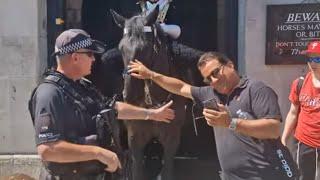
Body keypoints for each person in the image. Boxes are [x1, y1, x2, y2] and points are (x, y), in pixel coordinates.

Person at [28, 29, 175, 180]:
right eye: (90, 54)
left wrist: (151, 114)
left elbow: (112, 108)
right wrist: (98, 153)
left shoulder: (81, 86)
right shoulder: (49, 93)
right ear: (75, 57)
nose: (93, 59)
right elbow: (47, 149)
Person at [128, 51, 299, 180]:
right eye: (208, 79)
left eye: (216, 72)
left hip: (268, 175)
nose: (214, 80)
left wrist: (231, 123)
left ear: (230, 65)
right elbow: (180, 87)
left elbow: (273, 129)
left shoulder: (256, 90)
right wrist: (150, 75)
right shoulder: (209, 93)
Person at [281, 41, 320, 180]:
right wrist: (284, 138)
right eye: (310, 59)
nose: (313, 63)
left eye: (317, 59)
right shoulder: (299, 83)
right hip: (304, 143)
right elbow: (293, 113)